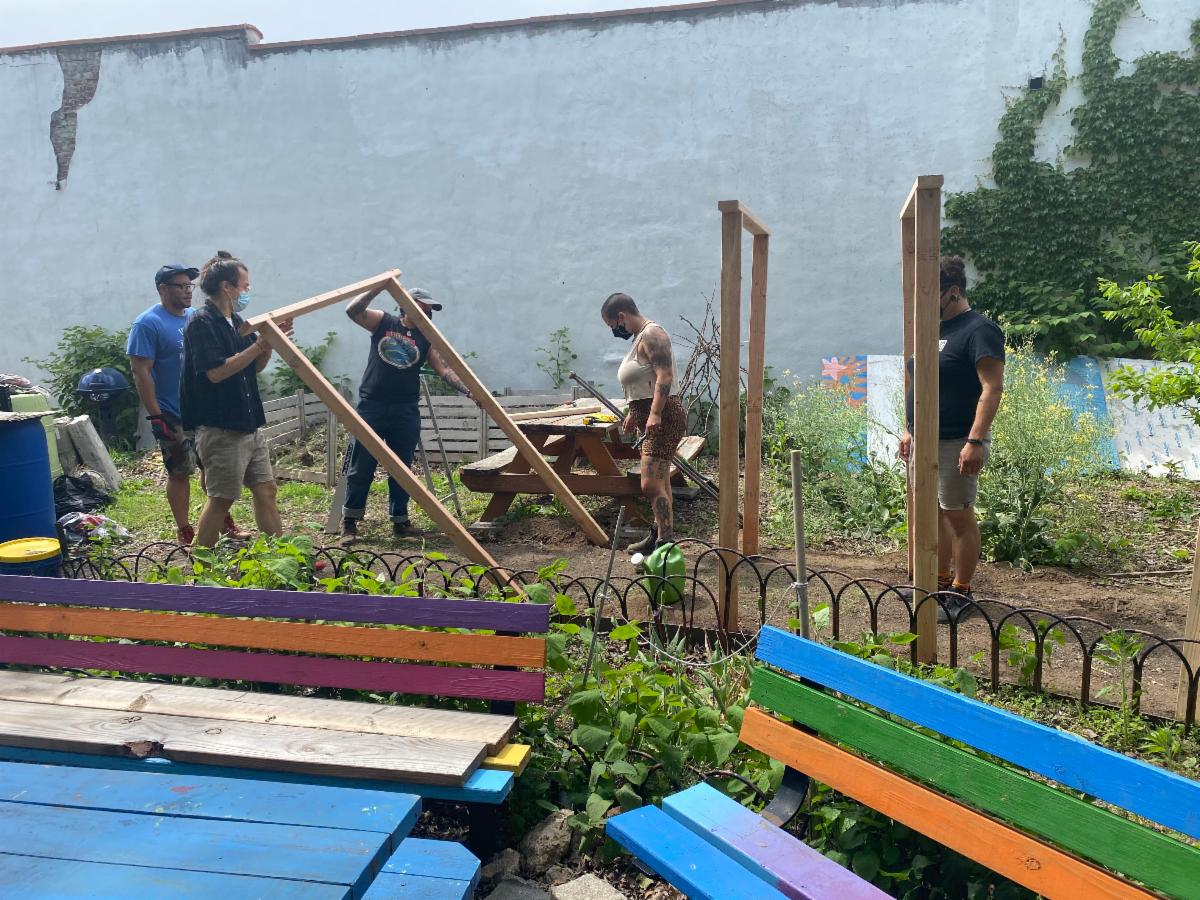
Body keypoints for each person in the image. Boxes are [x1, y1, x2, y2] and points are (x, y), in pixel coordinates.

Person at [899, 255, 1005, 622]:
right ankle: (937, 582)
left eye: (931, 295)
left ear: (953, 291)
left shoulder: (979, 330)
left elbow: (991, 387)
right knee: (932, 514)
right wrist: (909, 428)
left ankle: (960, 591)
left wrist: (975, 441)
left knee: (957, 516)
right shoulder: (933, 330)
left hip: (956, 440)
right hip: (924, 440)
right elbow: (917, 382)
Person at [127, 264, 249, 545]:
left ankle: (220, 521)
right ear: (162, 289)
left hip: (202, 410)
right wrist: (156, 415)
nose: (187, 292)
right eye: (180, 286)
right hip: (171, 412)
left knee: (213, 469)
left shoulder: (197, 317)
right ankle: (184, 530)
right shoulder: (147, 324)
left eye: (189, 286)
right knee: (180, 472)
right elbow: (141, 371)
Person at [341, 286, 475, 540]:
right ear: (408, 304)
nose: (428, 311)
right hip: (373, 405)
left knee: (401, 466)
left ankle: (400, 522)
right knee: (362, 464)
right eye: (424, 306)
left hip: (405, 408)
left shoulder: (427, 337)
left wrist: (469, 391)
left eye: (430, 309)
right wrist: (381, 286)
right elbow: (352, 311)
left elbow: (444, 370)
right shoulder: (384, 322)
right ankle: (350, 523)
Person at [180, 251, 292, 548]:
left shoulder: (237, 321)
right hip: (222, 428)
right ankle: (200, 563)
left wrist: (269, 345)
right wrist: (259, 345)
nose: (247, 291)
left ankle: (278, 555)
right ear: (227, 287)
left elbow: (253, 366)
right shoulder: (201, 323)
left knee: (266, 490)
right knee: (221, 499)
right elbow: (216, 372)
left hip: (249, 424)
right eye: (244, 285)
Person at [601, 292, 686, 553]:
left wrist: (655, 413)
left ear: (621, 316)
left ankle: (663, 543)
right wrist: (633, 413)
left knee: (650, 484)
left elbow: (665, 375)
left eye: (613, 325)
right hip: (651, 415)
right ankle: (662, 538)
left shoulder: (652, 335)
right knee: (661, 481)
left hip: (664, 416)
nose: (615, 331)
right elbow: (644, 381)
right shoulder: (641, 338)